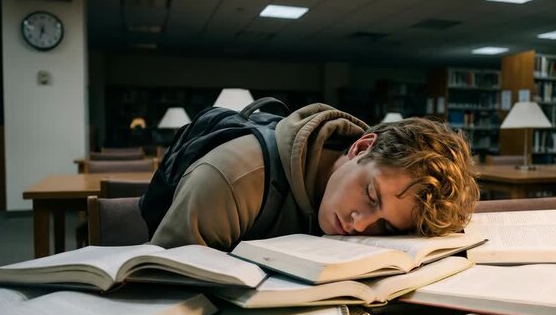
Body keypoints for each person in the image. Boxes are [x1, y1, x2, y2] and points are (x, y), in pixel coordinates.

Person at [151, 103, 479, 251]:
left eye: (386, 226)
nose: (360, 225)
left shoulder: (362, 205)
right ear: (361, 148)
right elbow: (162, 293)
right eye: (371, 195)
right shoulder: (229, 181)